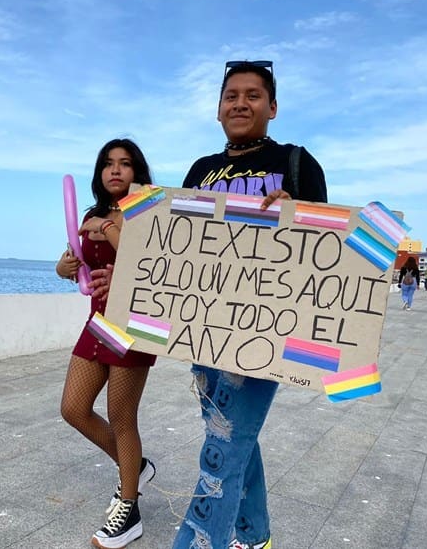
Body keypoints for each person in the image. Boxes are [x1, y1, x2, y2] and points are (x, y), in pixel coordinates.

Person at [173, 60, 327, 549]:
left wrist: (296, 214)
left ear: (273, 107)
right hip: (206, 331)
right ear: (218, 109)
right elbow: (176, 242)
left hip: (265, 333)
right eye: (231, 95)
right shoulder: (200, 169)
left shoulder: (297, 162)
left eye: (253, 95)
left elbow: (326, 252)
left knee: (223, 446)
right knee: (233, 436)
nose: (241, 103)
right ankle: (255, 534)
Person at [55, 139, 157, 549]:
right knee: (73, 408)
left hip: (135, 324)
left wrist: (110, 229)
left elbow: (149, 261)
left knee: (121, 416)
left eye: (125, 164)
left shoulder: (147, 211)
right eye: (108, 164)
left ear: (137, 171)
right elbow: (78, 262)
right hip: (98, 322)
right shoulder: (92, 215)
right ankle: (135, 466)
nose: (116, 171)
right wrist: (63, 267)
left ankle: (129, 506)